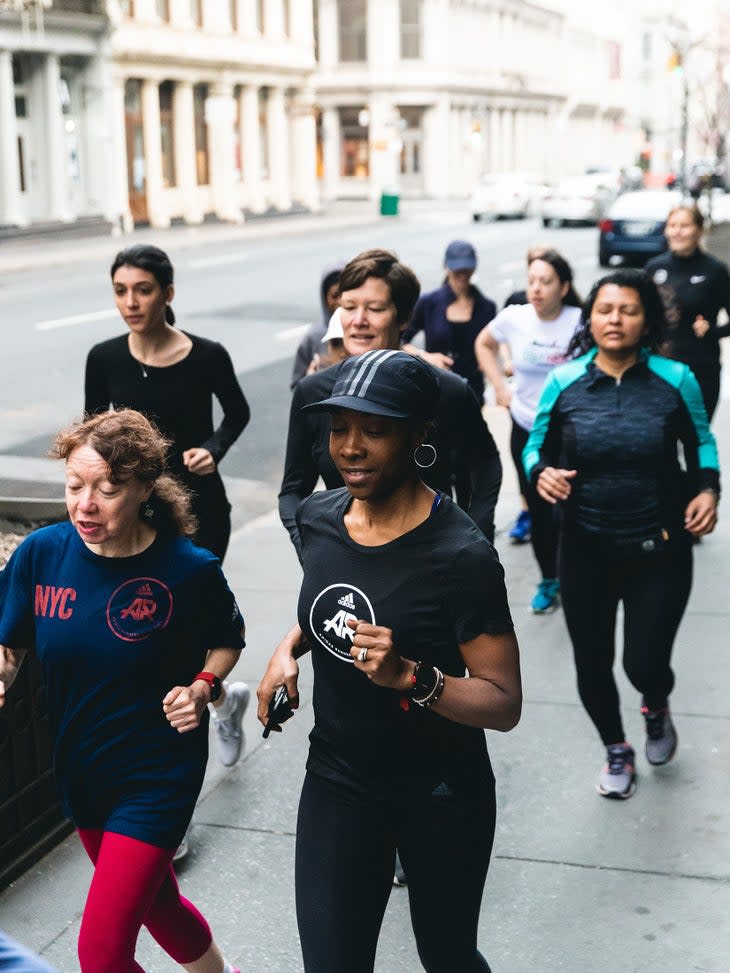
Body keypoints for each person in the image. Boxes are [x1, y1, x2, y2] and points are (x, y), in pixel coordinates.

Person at [257, 351, 521, 973]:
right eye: (339, 428)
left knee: (447, 955)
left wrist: (414, 677)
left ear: (417, 436)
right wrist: (284, 653)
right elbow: (331, 603)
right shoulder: (320, 518)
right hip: (338, 778)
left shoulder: (462, 555)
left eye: (373, 430)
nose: (349, 447)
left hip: (440, 789)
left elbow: (504, 703)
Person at [0, 409, 246, 973]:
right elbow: (10, 642)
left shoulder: (188, 568)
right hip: (82, 769)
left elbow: (226, 641)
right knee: (159, 904)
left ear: (141, 488)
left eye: (106, 490)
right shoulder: (43, 555)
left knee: (102, 952)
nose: (85, 503)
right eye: (74, 486)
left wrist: (203, 687)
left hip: (157, 773)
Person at [523, 268, 719, 799]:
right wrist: (541, 473)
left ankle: (656, 703)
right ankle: (616, 747)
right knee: (592, 660)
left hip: (660, 546)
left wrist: (708, 491)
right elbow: (533, 447)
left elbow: (701, 444)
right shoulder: (565, 382)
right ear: (591, 317)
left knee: (644, 661)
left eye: (628, 310)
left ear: (646, 319)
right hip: (585, 548)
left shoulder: (675, 379)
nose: (615, 319)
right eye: (606, 309)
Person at [84, 244, 251, 778]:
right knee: (160, 640)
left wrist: (214, 449)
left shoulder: (207, 355)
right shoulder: (104, 357)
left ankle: (182, 769)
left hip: (201, 511)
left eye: (143, 289)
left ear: (168, 293)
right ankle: (221, 703)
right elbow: (92, 435)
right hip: (137, 514)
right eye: (120, 291)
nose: (130, 302)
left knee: (190, 634)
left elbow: (238, 412)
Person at [279, 248, 503, 560]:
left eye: (374, 308)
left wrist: (475, 537)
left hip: (434, 562)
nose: (358, 321)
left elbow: (486, 464)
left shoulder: (447, 390)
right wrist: (313, 549)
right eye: (348, 306)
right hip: (352, 565)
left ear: (404, 317)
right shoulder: (314, 393)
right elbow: (292, 490)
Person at [474, 249, 582, 613]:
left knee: (570, 507)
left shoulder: (580, 321)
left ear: (564, 287)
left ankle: (578, 575)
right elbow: (483, 343)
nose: (535, 288)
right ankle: (550, 579)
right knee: (538, 510)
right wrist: (500, 388)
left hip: (570, 432)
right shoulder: (514, 318)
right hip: (525, 428)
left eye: (545, 281)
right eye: (531, 280)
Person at [646, 204, 730, 421]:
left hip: (701, 368)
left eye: (685, 225)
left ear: (699, 230)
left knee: (697, 439)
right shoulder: (654, 268)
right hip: (659, 366)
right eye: (672, 225)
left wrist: (712, 331)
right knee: (660, 441)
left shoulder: (715, 270)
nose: (678, 231)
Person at [401, 240, 496, 400]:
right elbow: (401, 340)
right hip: (436, 387)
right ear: (445, 266)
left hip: (472, 390)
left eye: (467, 267)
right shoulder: (428, 302)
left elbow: (492, 344)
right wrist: (425, 356)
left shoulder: (486, 307)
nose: (462, 273)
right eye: (456, 267)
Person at [290, 264, 344, 387]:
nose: (343, 353)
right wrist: (311, 381)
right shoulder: (313, 336)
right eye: (336, 343)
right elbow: (297, 384)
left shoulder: (362, 330)